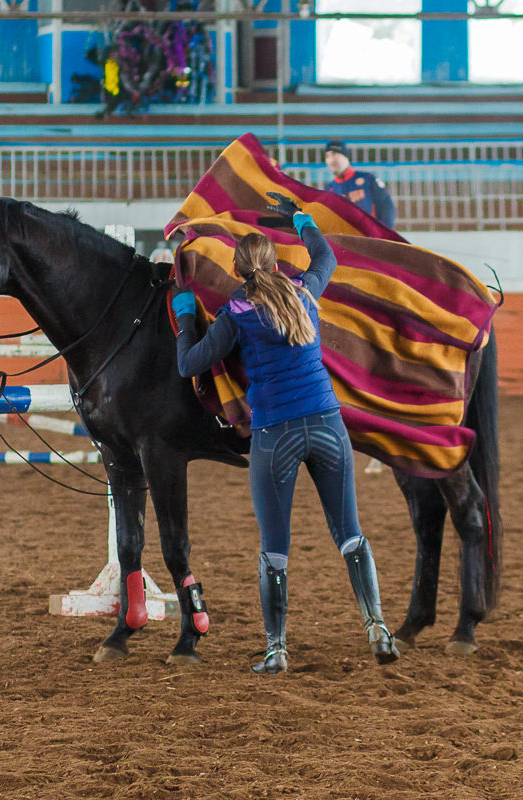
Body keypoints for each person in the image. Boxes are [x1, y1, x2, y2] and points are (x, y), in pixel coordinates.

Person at [171, 193, 400, 674]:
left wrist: (186, 316)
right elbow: (327, 256)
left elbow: (189, 364)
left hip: (276, 434)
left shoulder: (236, 313)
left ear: (238, 270)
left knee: (275, 548)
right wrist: (301, 217)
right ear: (274, 263)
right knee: (351, 535)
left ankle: (277, 649)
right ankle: (377, 627)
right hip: (327, 424)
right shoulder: (304, 291)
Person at [323, 140, 396, 228]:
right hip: (345, 239)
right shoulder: (329, 190)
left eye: (335, 154)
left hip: (371, 237)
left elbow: (387, 206)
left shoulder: (368, 179)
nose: (331, 160)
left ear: (346, 157)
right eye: (327, 156)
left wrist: (384, 233)